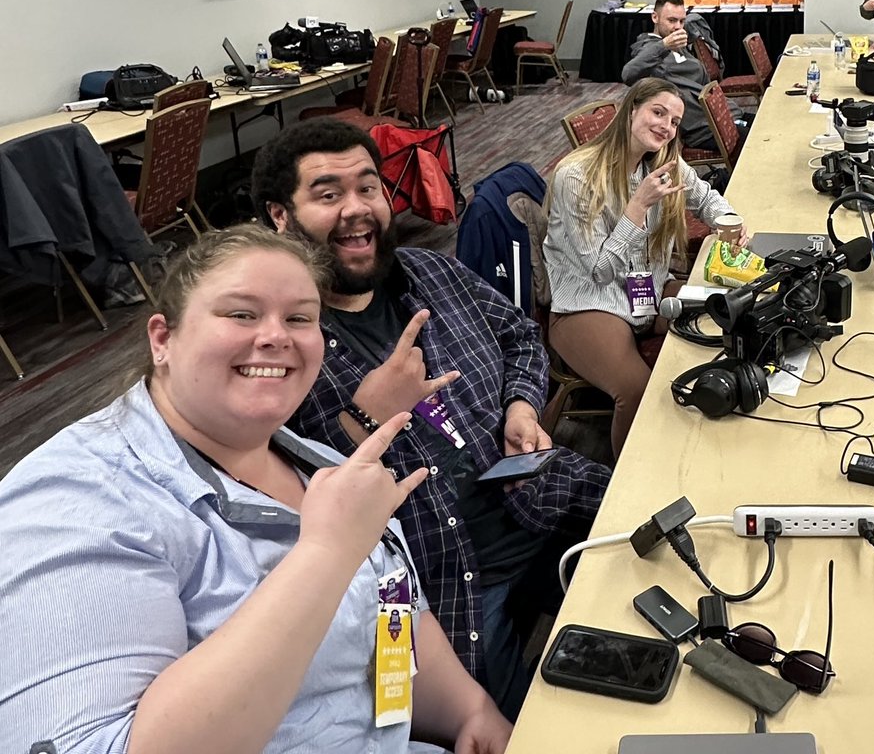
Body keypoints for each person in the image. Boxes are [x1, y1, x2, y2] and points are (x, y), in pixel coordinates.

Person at [0, 226, 512, 754]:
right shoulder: (75, 501)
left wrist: (469, 711)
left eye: (299, 318)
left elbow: (391, 612)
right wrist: (325, 554)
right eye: (241, 314)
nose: (277, 336)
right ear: (162, 340)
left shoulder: (312, 462)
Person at [250, 119, 609, 721]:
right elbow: (279, 491)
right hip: (451, 580)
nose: (356, 210)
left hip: (544, 499)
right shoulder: (278, 343)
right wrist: (366, 415)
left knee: (670, 571)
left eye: (368, 188)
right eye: (327, 194)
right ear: (280, 216)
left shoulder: (431, 274)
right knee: (532, 726)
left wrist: (521, 405)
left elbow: (520, 333)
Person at [544, 78, 745, 457]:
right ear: (630, 109)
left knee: (725, 316)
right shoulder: (576, 176)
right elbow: (601, 271)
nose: (665, 126)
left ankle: (705, 443)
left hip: (648, 293)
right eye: (657, 112)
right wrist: (637, 207)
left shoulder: (664, 163)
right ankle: (627, 484)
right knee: (635, 390)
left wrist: (729, 222)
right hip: (590, 305)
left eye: (673, 121)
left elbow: (706, 198)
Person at [622, 0, 744, 151]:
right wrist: (664, 45)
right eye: (672, 20)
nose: (677, 27)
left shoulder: (679, 47)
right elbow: (628, 73)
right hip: (704, 129)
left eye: (681, 21)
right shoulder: (648, 49)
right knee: (763, 141)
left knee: (769, 123)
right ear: (655, 17)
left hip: (723, 114)